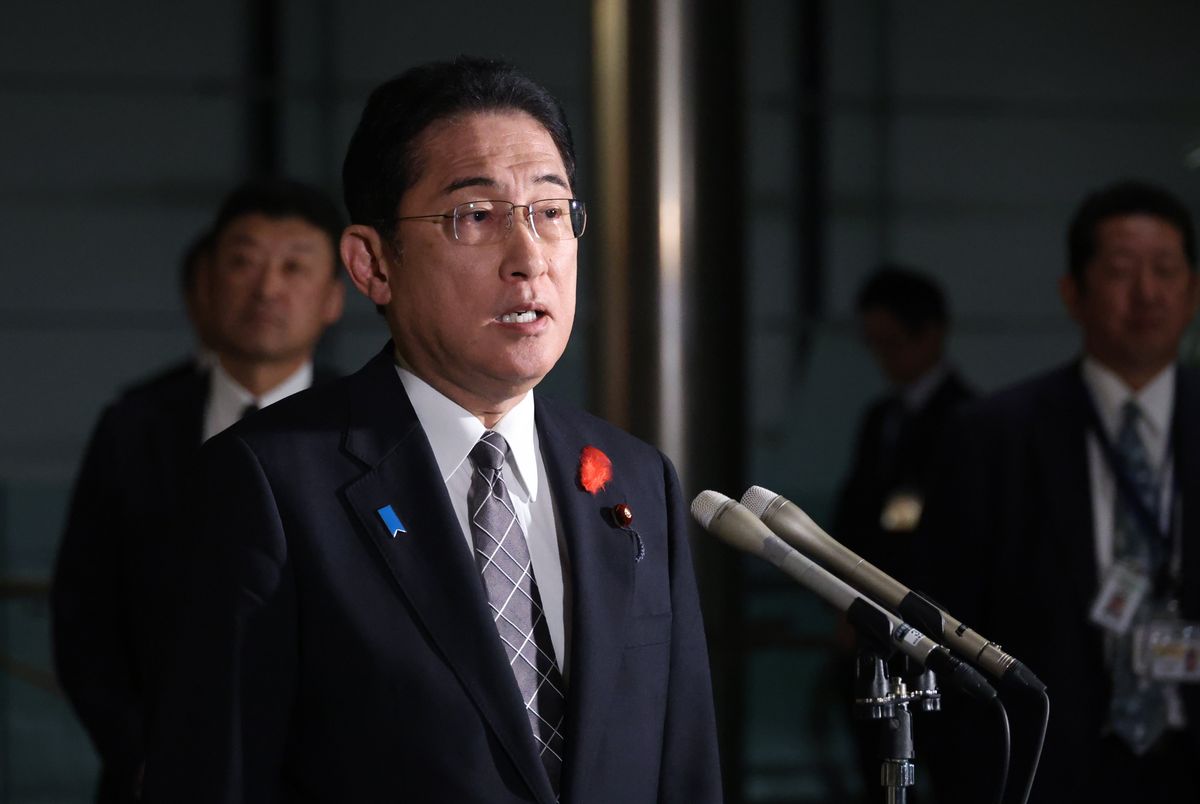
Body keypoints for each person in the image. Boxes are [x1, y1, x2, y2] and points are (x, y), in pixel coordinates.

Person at [142, 57, 722, 804]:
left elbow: (686, 772)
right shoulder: (271, 484)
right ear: (373, 264)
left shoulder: (637, 480)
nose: (529, 260)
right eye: (475, 216)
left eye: (550, 212)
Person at [51, 178, 346, 804]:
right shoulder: (135, 427)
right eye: (243, 262)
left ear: (333, 298)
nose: (267, 288)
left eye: (295, 266)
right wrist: (140, 757)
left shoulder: (369, 432)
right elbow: (83, 612)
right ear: (206, 281)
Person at [921, 179, 1200, 803]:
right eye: (1122, 272)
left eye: (1167, 270)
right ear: (1073, 293)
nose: (1147, 293)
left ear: (1194, 291)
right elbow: (944, 619)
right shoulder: (994, 434)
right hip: (1047, 768)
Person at [829, 266, 974, 800]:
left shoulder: (969, 420)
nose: (885, 358)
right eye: (876, 344)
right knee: (878, 769)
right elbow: (857, 517)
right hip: (873, 627)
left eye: (893, 342)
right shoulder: (881, 418)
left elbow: (949, 539)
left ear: (931, 334)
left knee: (948, 767)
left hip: (935, 628)